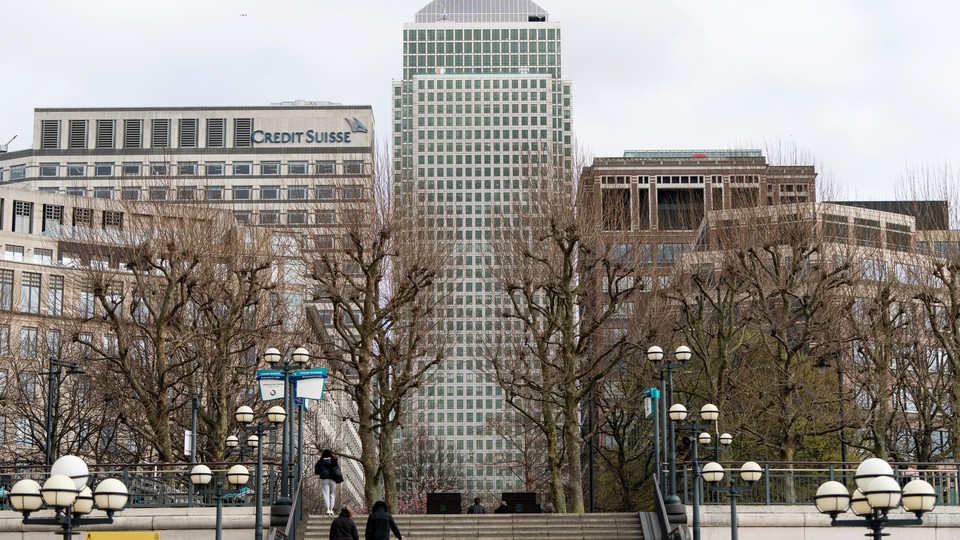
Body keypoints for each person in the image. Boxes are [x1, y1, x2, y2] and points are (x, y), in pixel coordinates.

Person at [315, 449, 341, 515]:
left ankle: (327, 509)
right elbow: (338, 469)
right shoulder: (334, 460)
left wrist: (322, 471)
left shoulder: (321, 461)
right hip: (333, 479)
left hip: (325, 479)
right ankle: (331, 509)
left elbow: (317, 471)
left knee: (325, 494)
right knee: (332, 495)